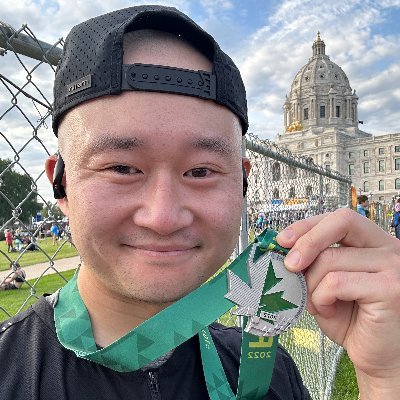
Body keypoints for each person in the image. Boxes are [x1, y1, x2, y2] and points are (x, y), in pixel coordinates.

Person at [0, 6, 399, 400]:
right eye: (121, 168)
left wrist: (385, 378)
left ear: (242, 183)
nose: (163, 217)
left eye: (201, 171)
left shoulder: (271, 373)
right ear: (61, 183)